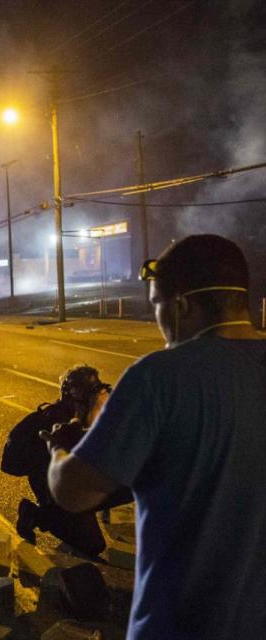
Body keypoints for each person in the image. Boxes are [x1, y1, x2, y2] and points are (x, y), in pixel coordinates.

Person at [44, 234, 266, 639]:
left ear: (181, 305)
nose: (158, 321)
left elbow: (74, 493)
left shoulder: (159, 377)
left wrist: (58, 449)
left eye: (157, 306)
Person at [1, 365, 117, 556]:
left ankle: (72, 515)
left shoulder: (77, 416)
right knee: (93, 545)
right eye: (92, 398)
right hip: (55, 488)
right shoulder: (60, 422)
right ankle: (36, 514)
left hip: (71, 480)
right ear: (77, 398)